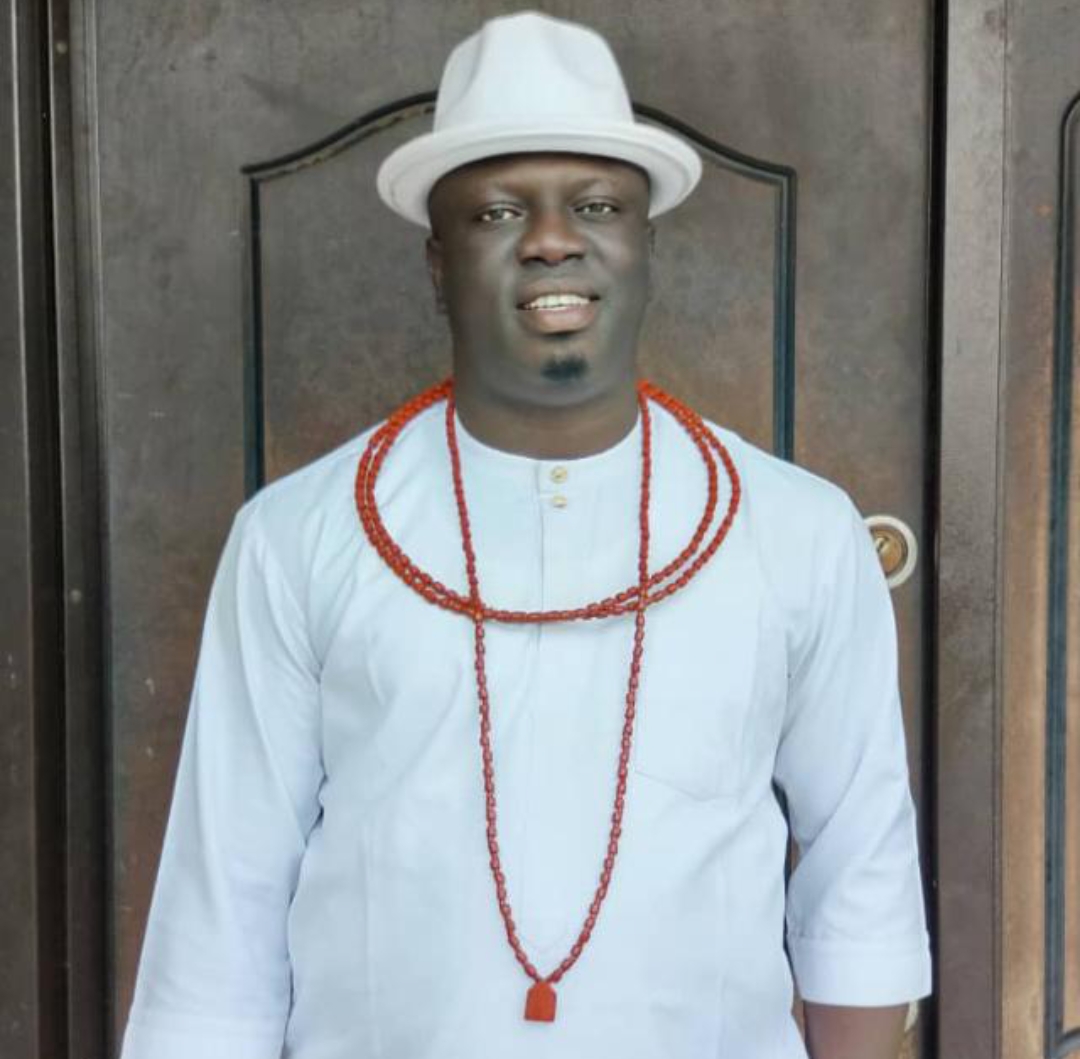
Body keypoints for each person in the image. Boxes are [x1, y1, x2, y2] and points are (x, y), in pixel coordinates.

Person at [120, 10, 932, 1059]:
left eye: (597, 206)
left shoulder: (797, 529)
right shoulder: (297, 535)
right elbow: (222, 897)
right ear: (437, 264)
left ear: (645, 247)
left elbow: (860, 865)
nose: (552, 239)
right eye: (499, 212)